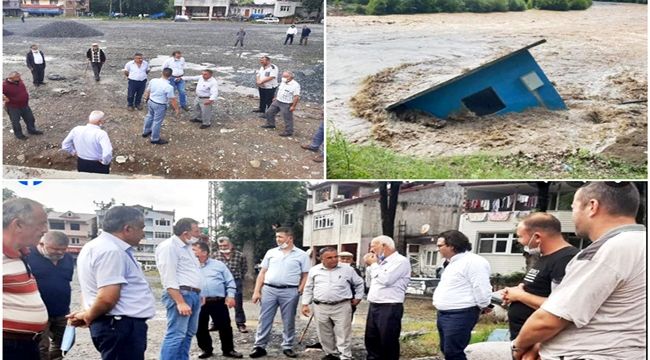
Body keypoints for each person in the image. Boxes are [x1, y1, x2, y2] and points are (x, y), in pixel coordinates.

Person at [513, 182, 646, 360]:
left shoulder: (606, 250)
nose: (573, 215)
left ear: (592, 206)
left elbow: (548, 320)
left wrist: (517, 347)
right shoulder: (640, 243)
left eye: (573, 207)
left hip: (589, 354)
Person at [67, 206, 156, 360]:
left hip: (115, 325)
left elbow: (88, 289)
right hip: (119, 326)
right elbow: (107, 298)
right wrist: (88, 316)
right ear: (127, 229)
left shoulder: (95, 246)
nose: (143, 234)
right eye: (141, 228)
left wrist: (87, 313)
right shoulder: (111, 251)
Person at [501, 213, 578, 340]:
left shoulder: (566, 259)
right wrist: (516, 293)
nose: (519, 241)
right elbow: (541, 290)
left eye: (520, 237)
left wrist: (520, 296)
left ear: (537, 237)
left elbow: (562, 308)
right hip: (524, 339)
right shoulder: (545, 256)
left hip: (541, 344)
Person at [250, 227, 310, 358]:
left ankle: (287, 346)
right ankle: (259, 346)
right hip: (269, 289)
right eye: (277, 237)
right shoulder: (271, 252)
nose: (278, 240)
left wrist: (299, 289)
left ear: (290, 238)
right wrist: (256, 291)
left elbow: (306, 274)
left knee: (289, 320)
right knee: (264, 318)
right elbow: (262, 272)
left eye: (280, 237)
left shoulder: (302, 255)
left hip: (290, 291)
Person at [432, 230, 492, 360]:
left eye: (440, 246)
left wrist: (484, 305)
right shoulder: (451, 262)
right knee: (446, 350)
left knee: (453, 352)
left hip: (460, 313)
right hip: (444, 313)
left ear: (451, 245)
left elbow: (481, 286)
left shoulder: (473, 262)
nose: (438, 249)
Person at [3, 198, 49, 360]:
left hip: (26, 344)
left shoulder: (21, 253)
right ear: (18, 225)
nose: (45, 230)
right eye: (41, 224)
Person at [301, 247, 365, 360]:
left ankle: (345, 356)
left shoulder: (347, 269)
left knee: (343, 332)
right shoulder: (314, 270)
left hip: (342, 305)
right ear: (321, 258)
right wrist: (305, 304)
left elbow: (359, 283)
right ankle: (331, 354)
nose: (334, 259)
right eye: (329, 257)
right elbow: (308, 287)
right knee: (324, 332)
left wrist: (358, 297)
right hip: (320, 306)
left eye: (336, 256)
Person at [155, 218, 203, 360]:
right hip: (182, 294)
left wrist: (200, 293)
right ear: (185, 233)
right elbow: (168, 277)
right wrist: (179, 301)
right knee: (176, 334)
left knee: (188, 333)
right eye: (196, 231)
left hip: (193, 295)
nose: (199, 234)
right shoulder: (169, 247)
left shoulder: (187, 248)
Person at [26, 231, 74, 360]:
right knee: (41, 347)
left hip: (62, 311)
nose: (59, 253)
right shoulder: (27, 256)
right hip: (38, 312)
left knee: (66, 342)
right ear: (41, 244)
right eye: (55, 249)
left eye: (63, 249)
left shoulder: (68, 258)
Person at [192, 241, 244, 359]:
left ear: (204, 252)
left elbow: (230, 281)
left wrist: (230, 295)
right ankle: (206, 349)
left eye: (194, 250)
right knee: (200, 327)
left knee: (225, 326)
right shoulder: (190, 266)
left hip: (218, 301)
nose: (192, 252)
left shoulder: (219, 265)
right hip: (199, 302)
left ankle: (228, 350)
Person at [363, 235, 411, 360]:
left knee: (387, 341)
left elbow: (386, 280)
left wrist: (374, 265)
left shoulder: (400, 261)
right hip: (374, 304)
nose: (371, 250)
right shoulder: (380, 263)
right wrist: (372, 266)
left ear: (384, 246)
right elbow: (369, 283)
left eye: (373, 247)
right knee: (371, 339)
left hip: (390, 305)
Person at [213, 236, 249, 333]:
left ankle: (241, 323)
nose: (223, 248)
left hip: (235, 280)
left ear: (231, 245)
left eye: (225, 245)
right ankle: (216, 323)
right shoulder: (215, 255)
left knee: (237, 303)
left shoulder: (240, 255)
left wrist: (238, 277)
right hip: (220, 282)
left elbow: (244, 268)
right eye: (220, 246)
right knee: (217, 303)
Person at [142, 67, 180, 145]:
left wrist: (146, 98)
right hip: (160, 105)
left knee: (149, 116)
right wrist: (177, 109)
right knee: (157, 122)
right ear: (170, 76)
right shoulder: (169, 87)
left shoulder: (153, 80)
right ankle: (155, 139)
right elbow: (172, 99)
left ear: (162, 73)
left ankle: (145, 131)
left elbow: (147, 90)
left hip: (151, 101)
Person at [3, 71, 43, 140]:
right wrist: (3, 97)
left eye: (19, 76)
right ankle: (19, 135)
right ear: (11, 78)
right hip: (13, 107)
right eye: (17, 77)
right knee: (16, 122)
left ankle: (32, 130)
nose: (20, 78)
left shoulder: (19, 81)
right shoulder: (4, 85)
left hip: (24, 105)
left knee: (30, 118)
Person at [261, 71, 300, 137]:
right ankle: (271, 124)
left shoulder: (295, 85)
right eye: (283, 76)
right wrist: (276, 97)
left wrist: (293, 106)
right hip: (278, 100)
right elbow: (280, 90)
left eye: (285, 76)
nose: (283, 78)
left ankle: (289, 131)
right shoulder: (283, 82)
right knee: (269, 112)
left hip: (287, 103)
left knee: (287, 118)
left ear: (291, 77)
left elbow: (296, 97)